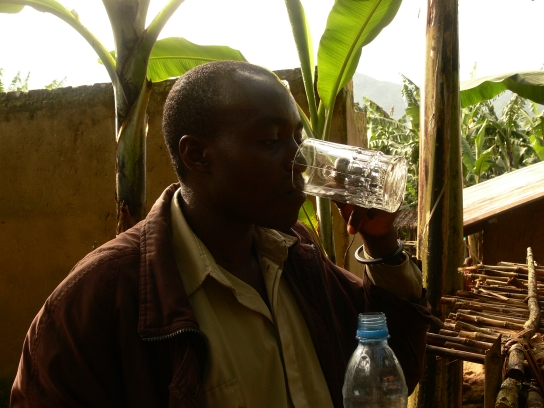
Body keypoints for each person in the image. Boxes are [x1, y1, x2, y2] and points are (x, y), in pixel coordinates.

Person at [11, 61, 438, 408]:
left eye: (297, 138)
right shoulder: (99, 300)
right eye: (272, 140)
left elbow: (391, 369)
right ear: (197, 155)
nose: (300, 162)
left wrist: (381, 242)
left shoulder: (296, 255)